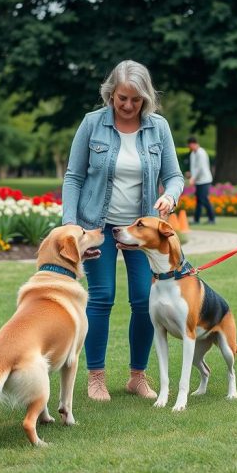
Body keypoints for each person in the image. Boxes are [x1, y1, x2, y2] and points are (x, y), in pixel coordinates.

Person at [62, 60, 185, 400]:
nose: (128, 106)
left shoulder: (158, 128)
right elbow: (74, 176)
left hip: (141, 231)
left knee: (145, 301)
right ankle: (96, 378)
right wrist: (70, 222)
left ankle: (137, 376)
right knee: (101, 298)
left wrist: (170, 197)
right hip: (96, 227)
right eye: (122, 99)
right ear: (111, 94)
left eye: (136, 100)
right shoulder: (92, 124)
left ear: (146, 98)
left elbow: (174, 176)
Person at [187, 136, 215, 224]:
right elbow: (193, 168)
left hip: (205, 180)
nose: (189, 147)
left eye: (190, 145)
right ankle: (196, 219)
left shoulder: (201, 153)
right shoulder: (193, 154)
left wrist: (193, 179)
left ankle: (212, 219)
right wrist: (192, 177)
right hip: (198, 181)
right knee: (199, 200)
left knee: (204, 199)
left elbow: (200, 168)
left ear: (194, 144)